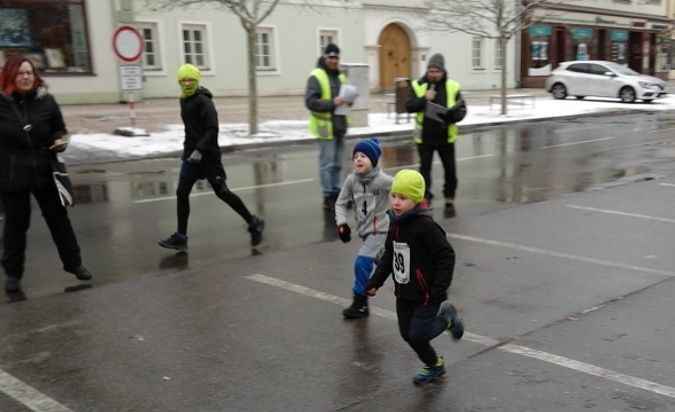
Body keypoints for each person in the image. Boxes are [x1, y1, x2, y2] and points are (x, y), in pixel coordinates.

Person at [0, 56, 93, 293]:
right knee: (16, 225)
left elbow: (58, 128)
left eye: (29, 73)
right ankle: (13, 273)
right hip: (12, 172)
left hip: (44, 168)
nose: (25, 77)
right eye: (20, 73)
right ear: (10, 76)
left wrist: (60, 140)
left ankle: (75, 264)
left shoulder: (46, 101)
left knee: (59, 220)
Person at [366, 169, 465, 385]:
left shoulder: (426, 226)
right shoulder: (395, 225)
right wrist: (375, 282)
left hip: (427, 293)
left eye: (403, 198)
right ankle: (435, 365)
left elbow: (446, 255)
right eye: (394, 196)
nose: (396, 202)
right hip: (404, 292)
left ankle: (447, 318)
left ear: (417, 199)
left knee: (419, 334)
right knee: (407, 334)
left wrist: (438, 289)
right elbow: (389, 257)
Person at [159, 64, 264, 251]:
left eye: (190, 80)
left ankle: (253, 222)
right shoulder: (183, 100)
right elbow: (190, 129)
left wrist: (200, 150)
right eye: (183, 80)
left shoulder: (204, 101)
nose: (187, 83)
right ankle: (181, 236)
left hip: (208, 157)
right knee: (181, 192)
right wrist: (189, 151)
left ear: (197, 80)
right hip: (191, 156)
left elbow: (212, 129)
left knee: (222, 192)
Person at [335, 138, 392, 319]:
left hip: (380, 230)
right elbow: (340, 203)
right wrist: (341, 224)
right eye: (356, 156)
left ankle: (360, 303)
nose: (358, 159)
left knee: (361, 263)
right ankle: (418, 286)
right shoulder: (351, 180)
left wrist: (418, 204)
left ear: (374, 160)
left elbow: (404, 187)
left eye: (364, 156)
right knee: (391, 266)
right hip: (365, 233)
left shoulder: (383, 181)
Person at [406, 53, 467, 217]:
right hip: (424, 138)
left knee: (450, 171)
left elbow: (462, 109)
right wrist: (424, 99)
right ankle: (425, 198)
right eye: (431, 71)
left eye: (437, 71)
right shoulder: (418, 85)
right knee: (424, 171)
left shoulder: (452, 86)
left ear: (443, 71)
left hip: (445, 137)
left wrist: (451, 116)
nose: (433, 74)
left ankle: (449, 199)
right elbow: (409, 106)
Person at [305, 43, 350, 209]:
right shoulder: (316, 75)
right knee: (327, 164)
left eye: (336, 57)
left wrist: (348, 101)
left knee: (338, 164)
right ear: (325, 57)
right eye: (330, 57)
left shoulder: (341, 76)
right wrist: (333, 102)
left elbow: (344, 100)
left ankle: (335, 192)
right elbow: (310, 102)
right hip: (325, 128)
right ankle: (327, 196)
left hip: (339, 125)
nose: (333, 60)